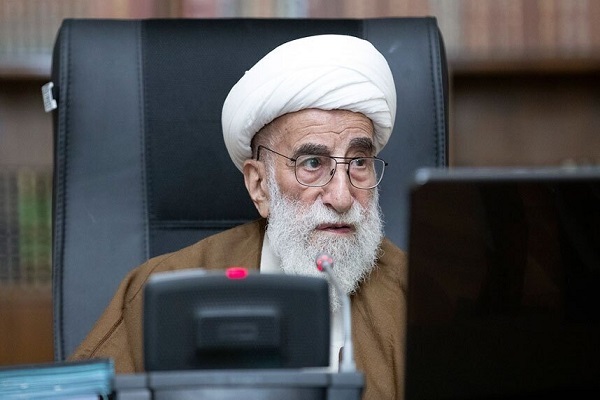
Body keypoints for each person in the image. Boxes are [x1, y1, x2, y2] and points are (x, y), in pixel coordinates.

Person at [70, 34, 407, 400]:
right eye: (312, 163)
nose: (341, 197)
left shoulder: (417, 298)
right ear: (259, 185)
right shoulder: (157, 293)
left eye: (359, 162)